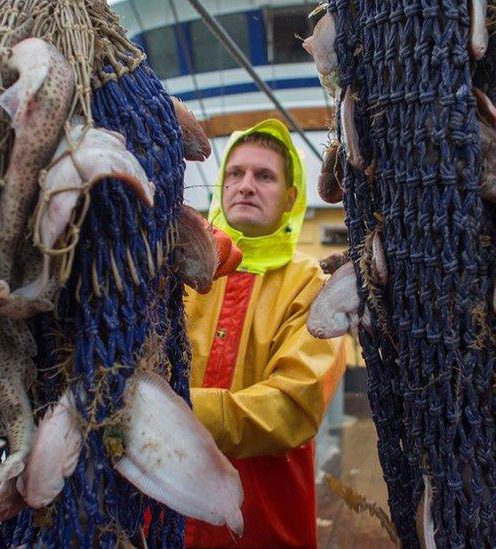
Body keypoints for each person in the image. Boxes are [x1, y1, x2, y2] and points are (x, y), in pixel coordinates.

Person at [182, 119, 347, 548]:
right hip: (161, 523)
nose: (246, 185)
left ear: (291, 197)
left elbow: (293, 405)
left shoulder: (310, 284)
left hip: (264, 529)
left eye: (264, 176)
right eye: (234, 174)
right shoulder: (177, 270)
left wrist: (173, 414)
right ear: (220, 186)